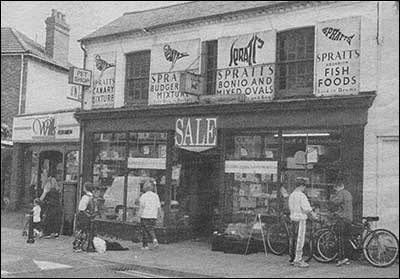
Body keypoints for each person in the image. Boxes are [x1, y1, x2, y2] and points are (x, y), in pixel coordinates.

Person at [288, 177, 316, 268]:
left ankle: (292, 258)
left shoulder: (292, 195)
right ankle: (298, 260)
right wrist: (313, 215)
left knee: (293, 239)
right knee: (300, 240)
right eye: (304, 187)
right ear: (301, 186)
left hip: (293, 219)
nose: (304, 188)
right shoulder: (301, 195)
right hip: (300, 219)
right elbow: (306, 208)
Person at [329, 179, 353, 266]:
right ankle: (346, 258)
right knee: (346, 239)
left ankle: (341, 258)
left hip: (342, 218)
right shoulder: (348, 193)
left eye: (335, 189)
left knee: (340, 239)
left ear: (338, 187)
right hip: (349, 218)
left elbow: (335, 202)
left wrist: (331, 197)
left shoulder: (341, 193)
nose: (335, 190)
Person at [139, 180, 161, 250]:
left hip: (145, 215)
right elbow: (158, 207)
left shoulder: (143, 196)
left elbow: (142, 207)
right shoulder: (156, 196)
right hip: (153, 216)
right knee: (151, 229)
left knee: (145, 230)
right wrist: (159, 215)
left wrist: (138, 215)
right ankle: (148, 243)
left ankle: (147, 244)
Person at [74, 182, 95, 252]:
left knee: (80, 231)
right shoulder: (93, 197)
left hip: (84, 216)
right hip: (90, 216)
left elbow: (81, 208)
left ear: (85, 188)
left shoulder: (85, 197)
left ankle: (79, 246)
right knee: (87, 232)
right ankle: (85, 245)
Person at [40, 170, 62, 238]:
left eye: (43, 175)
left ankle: (47, 232)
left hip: (50, 205)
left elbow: (43, 196)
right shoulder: (55, 184)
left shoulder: (48, 184)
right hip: (56, 205)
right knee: (55, 218)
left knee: (47, 218)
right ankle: (54, 232)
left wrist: (38, 201)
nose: (42, 177)